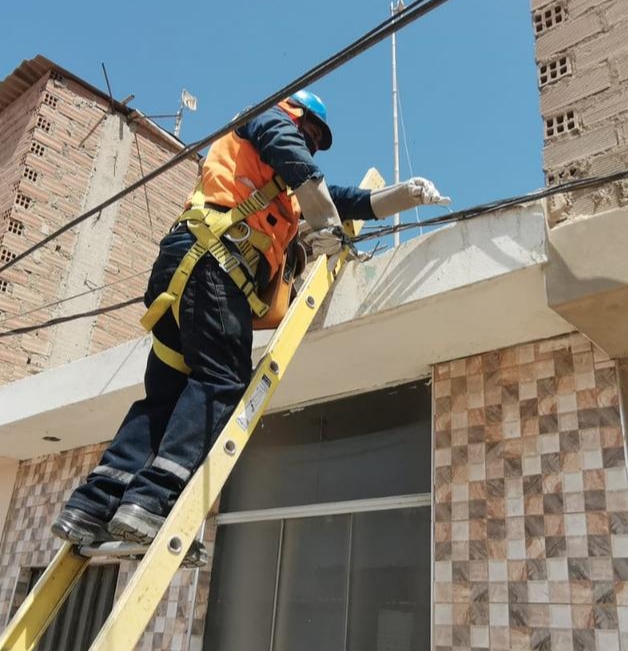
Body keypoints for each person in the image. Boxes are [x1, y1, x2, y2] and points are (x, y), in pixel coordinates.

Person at [51, 90, 449, 552]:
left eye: (318, 142)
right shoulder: (264, 121)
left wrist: (405, 195)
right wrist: (326, 226)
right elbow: (303, 170)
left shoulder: (283, 189)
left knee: (165, 398)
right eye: (312, 133)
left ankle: (91, 506)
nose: (312, 145)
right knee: (222, 380)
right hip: (212, 264)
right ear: (295, 115)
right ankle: (152, 501)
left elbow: (347, 200)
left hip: (187, 269)